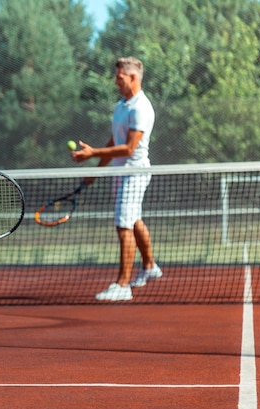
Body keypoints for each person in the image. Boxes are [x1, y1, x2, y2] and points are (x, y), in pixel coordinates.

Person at [71, 56, 162, 302]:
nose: (115, 81)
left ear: (133, 77)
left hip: (135, 172)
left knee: (123, 225)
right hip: (120, 173)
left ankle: (123, 285)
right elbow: (115, 142)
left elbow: (129, 148)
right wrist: (96, 170)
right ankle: (150, 266)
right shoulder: (121, 105)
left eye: (119, 77)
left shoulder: (140, 108)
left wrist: (93, 153)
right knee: (133, 221)